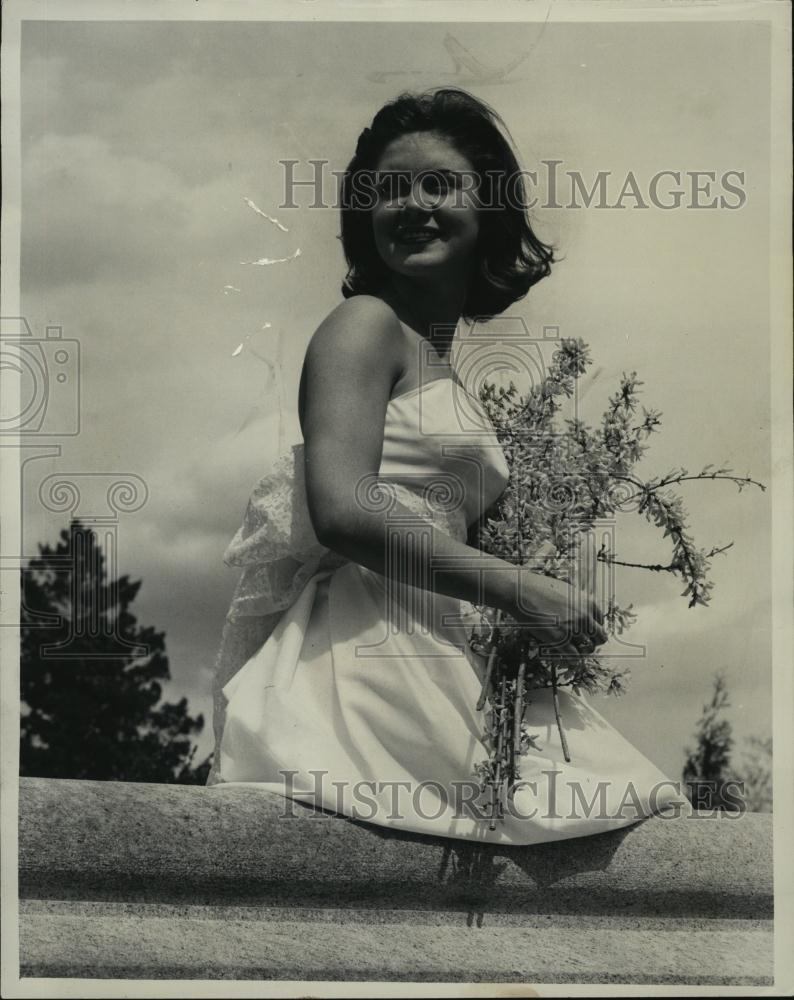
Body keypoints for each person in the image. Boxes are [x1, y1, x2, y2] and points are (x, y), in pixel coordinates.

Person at [208, 88, 683, 842]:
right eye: (391, 189)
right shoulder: (362, 326)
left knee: (622, 815)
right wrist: (521, 589)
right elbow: (343, 506)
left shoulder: (438, 363)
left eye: (440, 185)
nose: (414, 205)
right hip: (364, 662)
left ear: (487, 211)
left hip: (439, 646)